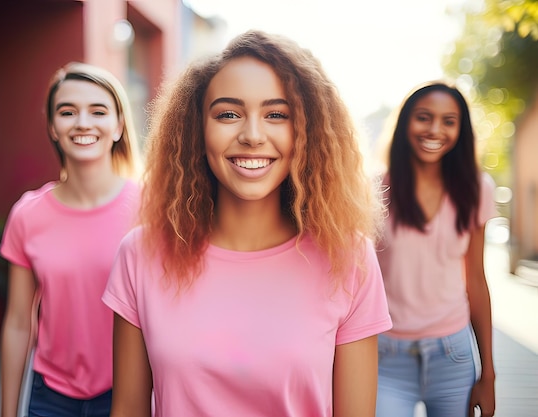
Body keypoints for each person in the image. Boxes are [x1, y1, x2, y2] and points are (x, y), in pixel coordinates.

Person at [102, 30, 392, 417]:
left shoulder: (349, 258)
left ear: (308, 131)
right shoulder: (140, 254)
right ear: (196, 129)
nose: (252, 135)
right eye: (228, 114)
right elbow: (127, 410)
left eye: (276, 114)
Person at [0, 61, 143, 417]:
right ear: (52, 125)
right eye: (67, 112)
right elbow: (19, 322)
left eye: (98, 111)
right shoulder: (28, 213)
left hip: (130, 393)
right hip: (51, 398)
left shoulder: (151, 206)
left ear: (118, 125)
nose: (82, 123)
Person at [374, 82, 497, 417]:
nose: (434, 130)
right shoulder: (374, 191)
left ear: (461, 129)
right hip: (385, 356)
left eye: (448, 121)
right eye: (423, 118)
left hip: (452, 356)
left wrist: (489, 374)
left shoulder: (477, 190)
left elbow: (475, 280)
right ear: (404, 123)